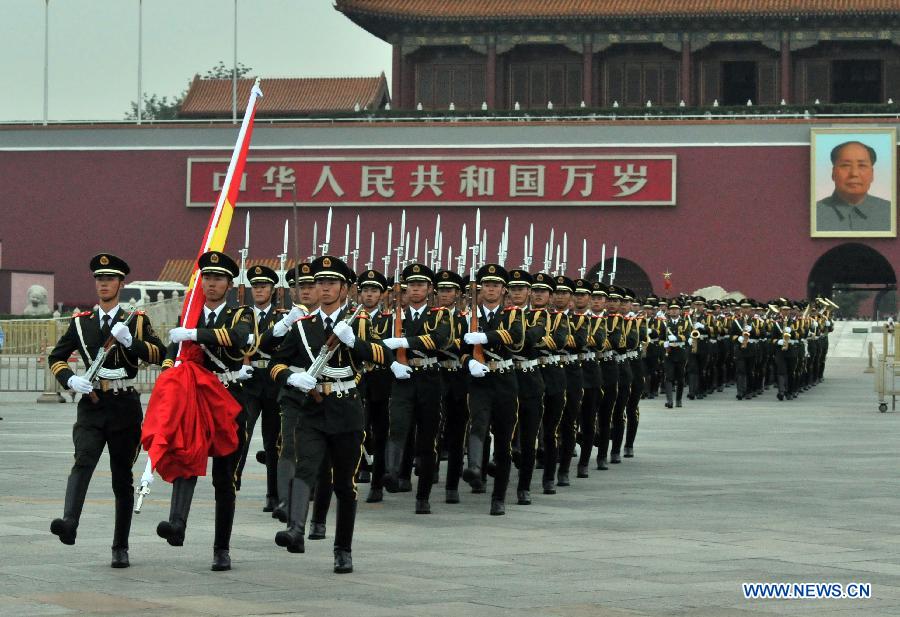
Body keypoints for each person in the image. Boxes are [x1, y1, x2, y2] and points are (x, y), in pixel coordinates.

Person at [269, 255, 392, 574]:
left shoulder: (358, 322)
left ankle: (343, 549)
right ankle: (296, 529)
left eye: (331, 283)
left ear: (346, 288)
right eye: (319, 283)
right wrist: (290, 377)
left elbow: (383, 356)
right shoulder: (303, 326)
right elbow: (275, 362)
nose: (323, 288)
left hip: (347, 408)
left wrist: (356, 343)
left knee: (344, 484)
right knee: (305, 468)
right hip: (312, 409)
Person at [48, 253, 165, 568]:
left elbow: (159, 353)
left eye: (110, 279)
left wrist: (131, 344)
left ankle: (120, 546)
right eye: (100, 279)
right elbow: (57, 357)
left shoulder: (135, 320)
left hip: (124, 405)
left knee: (121, 477)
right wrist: (69, 378)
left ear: (121, 283)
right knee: (83, 460)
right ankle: (69, 522)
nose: (104, 284)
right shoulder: (81, 322)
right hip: (92, 403)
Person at [158, 250, 255, 572]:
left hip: (227, 397)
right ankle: (177, 524)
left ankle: (221, 548)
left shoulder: (241, 313)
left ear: (229, 283)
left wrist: (195, 334)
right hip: (195, 399)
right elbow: (172, 353)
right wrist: (171, 367)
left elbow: (237, 339)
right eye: (207, 278)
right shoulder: (189, 315)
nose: (211, 284)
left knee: (224, 479)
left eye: (218, 278)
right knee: (186, 457)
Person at [381, 262, 452, 514]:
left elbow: (440, 339)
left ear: (430, 288)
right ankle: (391, 473)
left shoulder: (440, 314)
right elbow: (379, 345)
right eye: (411, 285)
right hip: (402, 378)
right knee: (397, 427)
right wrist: (392, 364)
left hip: (429, 378)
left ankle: (423, 495)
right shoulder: (394, 316)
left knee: (427, 439)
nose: (415, 289)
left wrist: (405, 341)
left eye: (420, 284)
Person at [460, 263, 525, 515]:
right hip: (479, 380)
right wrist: (470, 363)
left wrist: (487, 337)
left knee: (504, 439)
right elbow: (459, 348)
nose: (490, 289)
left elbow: (516, 336)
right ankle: (474, 467)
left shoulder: (513, 313)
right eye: (486, 285)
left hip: (505, 379)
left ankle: (499, 497)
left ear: (503, 290)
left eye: (495, 285)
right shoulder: (469, 316)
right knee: (477, 423)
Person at [234, 264, 281, 513]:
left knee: (272, 442)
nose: (259, 290)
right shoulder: (242, 315)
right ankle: (234, 478)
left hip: (272, 381)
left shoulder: (282, 316)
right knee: (242, 432)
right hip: (249, 381)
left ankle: (273, 494)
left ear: (272, 290)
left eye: (263, 286)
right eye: (256, 286)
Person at [816, 140, 892, 232]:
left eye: (862, 165)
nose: (854, 173)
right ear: (833, 173)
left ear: (872, 174)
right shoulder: (814, 213)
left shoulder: (891, 212)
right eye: (845, 165)